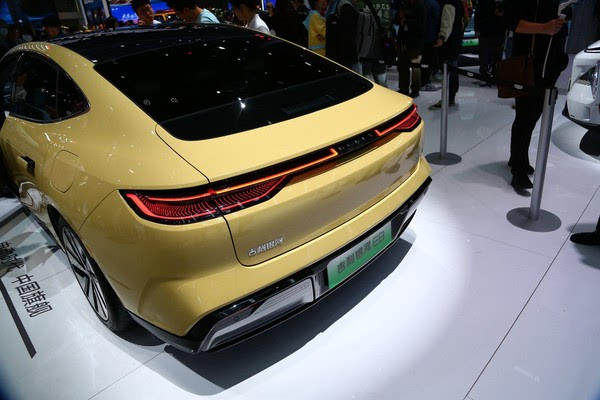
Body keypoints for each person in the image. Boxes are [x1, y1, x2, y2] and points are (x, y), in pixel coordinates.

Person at [504, 0, 568, 189]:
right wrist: (544, 28)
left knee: (533, 115)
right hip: (529, 65)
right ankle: (518, 168)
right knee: (525, 116)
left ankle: (518, 158)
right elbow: (512, 22)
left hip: (550, 65)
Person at [428, 0, 464, 109]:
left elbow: (447, 23)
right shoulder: (459, 3)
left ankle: (447, 98)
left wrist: (441, 37)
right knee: (453, 70)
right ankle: (451, 97)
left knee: (448, 70)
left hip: (449, 44)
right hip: (456, 41)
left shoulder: (449, 4)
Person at [396, 0, 426, 97]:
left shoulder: (421, 6)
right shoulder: (404, 5)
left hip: (415, 42)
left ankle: (415, 89)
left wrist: (406, 21)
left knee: (415, 67)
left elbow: (421, 24)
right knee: (402, 66)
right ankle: (403, 88)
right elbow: (397, 20)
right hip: (403, 41)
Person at [360, 0, 393, 87]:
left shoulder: (362, 3)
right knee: (381, 75)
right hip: (382, 42)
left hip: (367, 43)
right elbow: (390, 21)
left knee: (366, 77)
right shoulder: (386, 3)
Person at [475, 0, 505, 86]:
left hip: (496, 31)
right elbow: (478, 13)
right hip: (488, 31)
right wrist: (477, 28)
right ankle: (486, 76)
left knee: (495, 55)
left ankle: (494, 76)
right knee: (485, 55)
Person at [420, 0, 441, 91]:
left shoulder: (421, 3)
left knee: (422, 61)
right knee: (428, 61)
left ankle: (421, 82)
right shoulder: (434, 4)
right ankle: (425, 82)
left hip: (421, 37)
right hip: (431, 37)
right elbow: (437, 21)